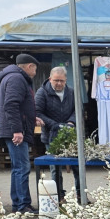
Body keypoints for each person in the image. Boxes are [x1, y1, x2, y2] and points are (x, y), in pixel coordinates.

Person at [0, 54, 41, 214]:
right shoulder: (17, 78)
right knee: (22, 167)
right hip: (14, 130)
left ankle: (18, 204)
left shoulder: (11, 77)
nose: (35, 73)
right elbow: (11, 105)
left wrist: (31, 117)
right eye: (35, 69)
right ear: (29, 66)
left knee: (18, 167)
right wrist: (17, 130)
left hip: (13, 128)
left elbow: (17, 105)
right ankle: (23, 205)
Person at [34, 66, 78, 203]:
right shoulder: (42, 93)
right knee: (55, 167)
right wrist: (54, 125)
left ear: (66, 80)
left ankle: (81, 194)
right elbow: (37, 112)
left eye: (62, 81)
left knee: (77, 165)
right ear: (50, 79)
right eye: (56, 80)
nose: (59, 83)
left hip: (70, 134)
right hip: (51, 135)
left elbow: (78, 110)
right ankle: (59, 195)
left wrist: (71, 122)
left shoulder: (71, 92)